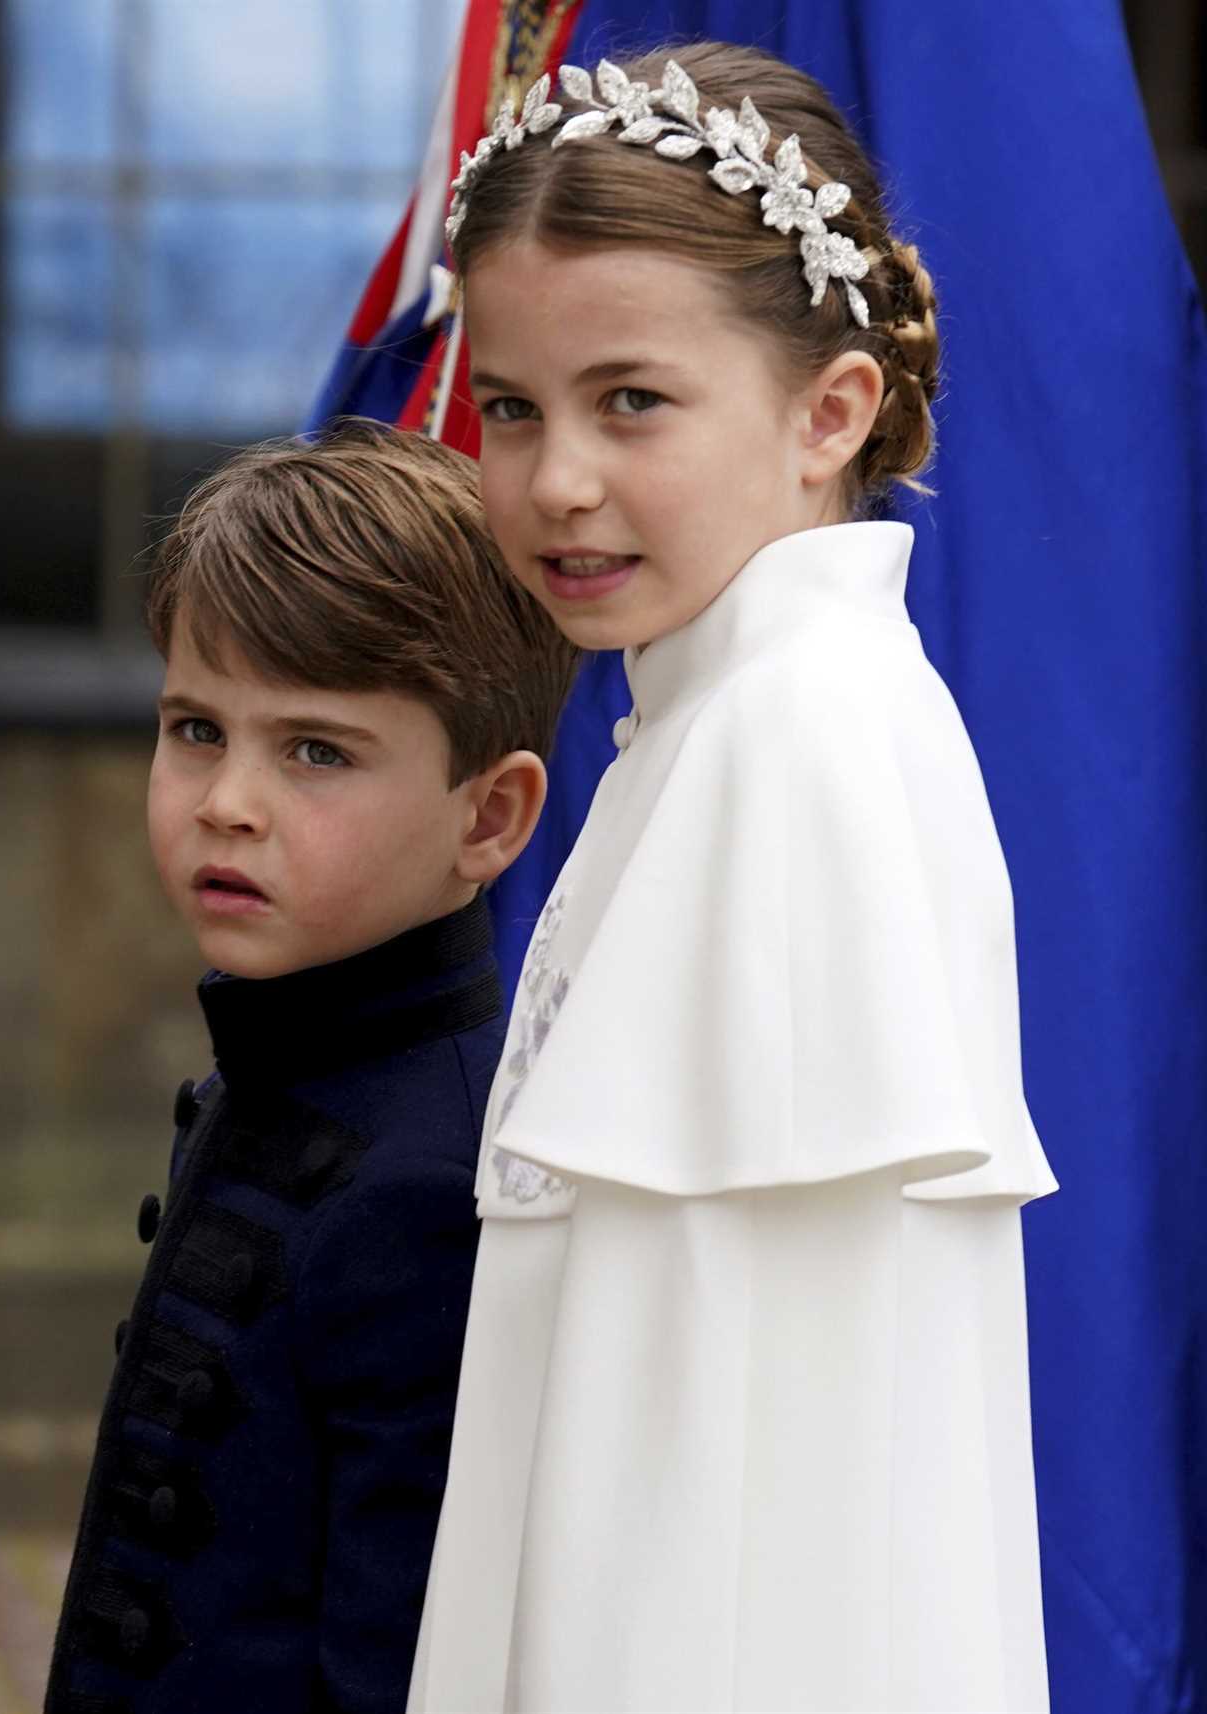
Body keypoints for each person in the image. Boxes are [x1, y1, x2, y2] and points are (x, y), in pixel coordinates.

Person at [408, 42, 1059, 1714]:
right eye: (511, 407)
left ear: (826, 411)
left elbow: (730, 1443)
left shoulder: (789, 749)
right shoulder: (713, 725)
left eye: (632, 400)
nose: (557, 480)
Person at [43, 420, 578, 1714]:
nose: (227, 799)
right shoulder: (270, 1068)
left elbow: (395, 1656)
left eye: (315, 750)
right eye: (193, 727)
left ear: (490, 815)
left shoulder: (429, 1185)